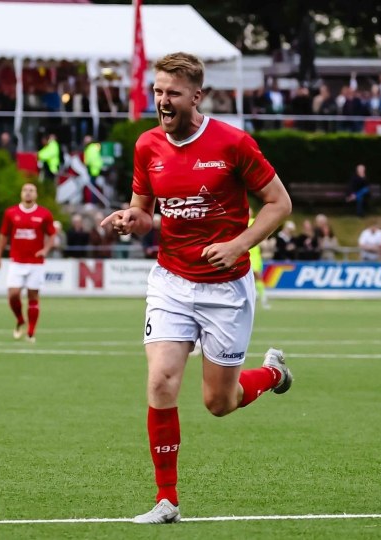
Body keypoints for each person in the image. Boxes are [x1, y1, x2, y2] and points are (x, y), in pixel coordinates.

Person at [100, 52, 293, 525]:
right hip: (170, 281)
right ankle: (167, 499)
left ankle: (271, 374)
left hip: (225, 288)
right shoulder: (147, 145)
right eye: (158, 91)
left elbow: (279, 203)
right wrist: (130, 219)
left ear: (197, 96)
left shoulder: (233, 143)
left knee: (219, 403)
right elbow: (144, 212)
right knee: (161, 380)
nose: (162, 101)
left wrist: (239, 244)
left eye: (173, 93)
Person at [0, 183, 55, 343]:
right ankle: (20, 319)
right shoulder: (11, 213)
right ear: (21, 193)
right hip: (17, 261)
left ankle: (30, 332)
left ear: (36, 194)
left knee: (33, 296)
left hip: (36, 262)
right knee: (13, 294)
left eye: (31, 190)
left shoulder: (44, 214)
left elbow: (52, 235)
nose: (28, 193)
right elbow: (3, 235)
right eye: (25, 190)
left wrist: (45, 250)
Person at [248, 208, 270, 309]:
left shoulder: (254, 221)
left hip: (255, 255)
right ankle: (253, 297)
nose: (249, 212)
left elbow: (264, 231)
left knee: (257, 276)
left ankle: (263, 298)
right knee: (249, 278)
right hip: (244, 253)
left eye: (250, 211)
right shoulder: (241, 222)